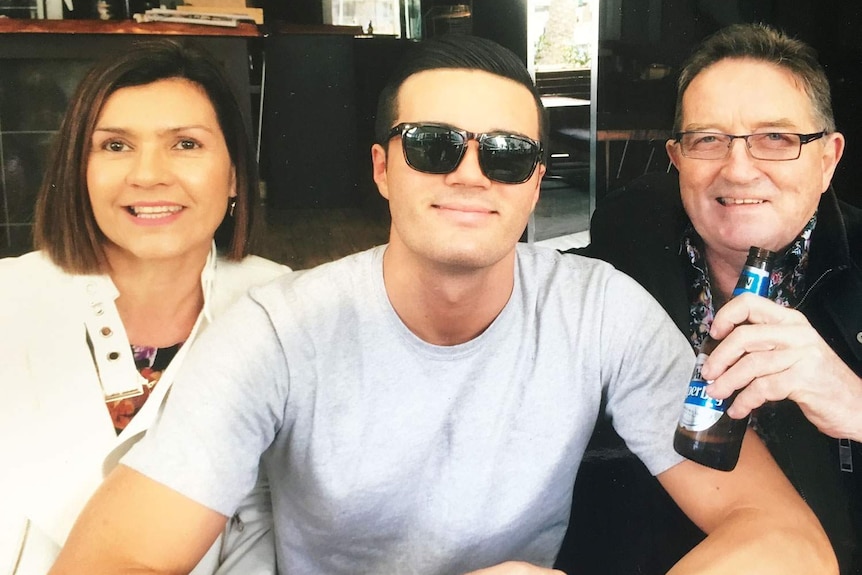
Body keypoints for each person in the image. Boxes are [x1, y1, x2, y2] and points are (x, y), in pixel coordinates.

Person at [49, 34, 835, 575]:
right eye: (432, 145)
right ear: (383, 167)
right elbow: (114, 556)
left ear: (534, 184)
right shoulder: (278, 333)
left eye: (505, 154)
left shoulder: (603, 313)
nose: (469, 174)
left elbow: (786, 539)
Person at [559, 22, 861, 575]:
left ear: (828, 158)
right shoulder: (630, 241)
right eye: (707, 139)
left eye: (777, 137)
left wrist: (855, 403)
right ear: (676, 158)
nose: (738, 168)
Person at [0, 39, 289, 574]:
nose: (149, 174)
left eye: (185, 144)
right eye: (114, 146)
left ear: (232, 175)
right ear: (77, 171)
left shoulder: (286, 312)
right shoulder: (8, 299)